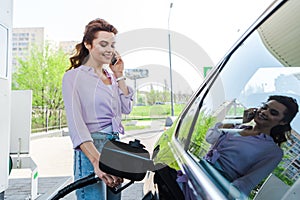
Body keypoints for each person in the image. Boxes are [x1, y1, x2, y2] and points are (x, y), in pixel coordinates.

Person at [62, 18, 134, 200]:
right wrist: (96, 160)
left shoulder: (111, 76)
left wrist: (119, 75)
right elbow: (76, 124)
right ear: (88, 44)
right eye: (103, 44)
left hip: (114, 147)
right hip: (91, 148)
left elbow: (127, 107)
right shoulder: (73, 77)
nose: (109, 49)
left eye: (112, 45)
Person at [204, 95, 299, 197]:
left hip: (213, 188)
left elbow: (246, 183)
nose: (264, 112)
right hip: (197, 171)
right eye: (264, 107)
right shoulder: (238, 127)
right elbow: (210, 137)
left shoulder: (273, 151)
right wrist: (239, 119)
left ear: (283, 122)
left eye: (273, 113)